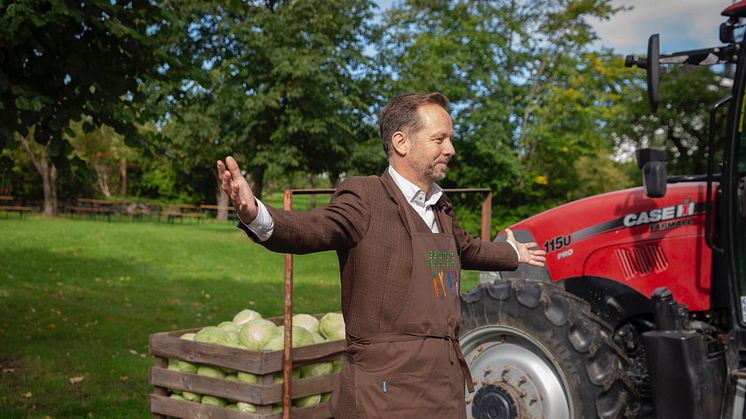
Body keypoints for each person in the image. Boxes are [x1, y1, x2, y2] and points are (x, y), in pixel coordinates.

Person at [217, 92, 546, 418]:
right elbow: (310, 229)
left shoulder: (441, 206)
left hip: (443, 384)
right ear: (402, 143)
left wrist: (511, 252)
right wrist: (254, 213)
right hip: (385, 389)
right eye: (439, 139)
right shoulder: (365, 197)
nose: (451, 149)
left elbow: (466, 249)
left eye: (450, 139)